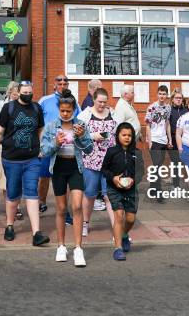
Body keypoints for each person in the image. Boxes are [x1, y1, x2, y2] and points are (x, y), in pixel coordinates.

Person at [0, 81, 50, 246]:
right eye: (25, 92)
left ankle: (37, 232)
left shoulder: (37, 108)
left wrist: (41, 147)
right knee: (13, 194)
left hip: (32, 159)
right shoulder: (9, 108)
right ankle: (9, 225)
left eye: (30, 92)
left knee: (31, 192)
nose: (28, 94)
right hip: (11, 159)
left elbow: (40, 130)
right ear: (18, 92)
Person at [40, 89, 93, 266]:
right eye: (62, 111)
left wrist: (81, 137)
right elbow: (45, 150)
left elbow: (89, 149)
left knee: (77, 206)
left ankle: (78, 248)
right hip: (59, 167)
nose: (65, 114)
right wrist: (56, 142)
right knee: (62, 208)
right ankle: (61, 246)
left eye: (68, 111)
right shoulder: (51, 126)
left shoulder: (80, 125)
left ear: (74, 110)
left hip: (76, 167)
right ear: (59, 109)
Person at [77, 87, 118, 237]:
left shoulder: (113, 114)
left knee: (109, 195)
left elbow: (119, 132)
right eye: (100, 102)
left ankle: (117, 227)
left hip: (110, 161)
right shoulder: (84, 115)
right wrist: (92, 135)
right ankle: (85, 223)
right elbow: (77, 137)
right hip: (91, 161)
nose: (102, 105)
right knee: (90, 194)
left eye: (105, 102)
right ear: (93, 99)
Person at [37, 75, 81, 214]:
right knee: (44, 176)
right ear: (54, 84)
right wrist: (40, 144)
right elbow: (37, 122)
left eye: (65, 82)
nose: (62, 84)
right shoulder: (44, 100)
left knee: (66, 180)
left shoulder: (74, 102)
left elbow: (79, 120)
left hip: (67, 147)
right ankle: (42, 202)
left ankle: (64, 209)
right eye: (59, 82)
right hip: (48, 144)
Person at [102, 122, 144, 261]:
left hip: (131, 190)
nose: (127, 138)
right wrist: (113, 178)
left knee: (131, 219)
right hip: (114, 188)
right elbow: (104, 170)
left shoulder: (136, 153)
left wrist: (133, 180)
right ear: (118, 136)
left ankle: (124, 234)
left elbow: (140, 172)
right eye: (124, 135)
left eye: (129, 135)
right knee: (119, 216)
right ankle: (118, 248)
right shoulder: (111, 151)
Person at [0, 81, 23, 220]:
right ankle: (9, 207)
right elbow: (0, 126)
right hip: (6, 145)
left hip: (21, 146)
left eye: (18, 91)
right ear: (9, 92)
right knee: (5, 179)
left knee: (19, 179)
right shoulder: (3, 105)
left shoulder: (25, 105)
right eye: (13, 91)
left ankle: (17, 206)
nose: (16, 93)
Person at [145, 85, 173, 202]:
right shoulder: (152, 107)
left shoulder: (168, 108)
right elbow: (147, 125)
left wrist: (170, 139)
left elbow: (167, 123)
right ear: (157, 94)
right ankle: (158, 193)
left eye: (164, 94)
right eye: (160, 93)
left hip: (163, 140)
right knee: (157, 166)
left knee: (158, 166)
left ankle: (152, 188)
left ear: (167, 95)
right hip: (154, 140)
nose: (162, 96)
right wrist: (150, 141)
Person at [169, 89, 188, 190]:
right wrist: (169, 140)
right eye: (176, 98)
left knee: (185, 162)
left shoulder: (186, 110)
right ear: (172, 99)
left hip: (184, 139)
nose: (179, 100)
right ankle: (176, 185)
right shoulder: (169, 110)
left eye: (180, 98)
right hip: (172, 139)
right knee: (175, 162)